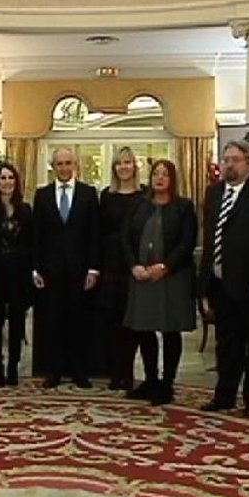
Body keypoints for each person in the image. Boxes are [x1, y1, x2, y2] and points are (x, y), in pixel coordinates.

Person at [198, 139, 249, 417]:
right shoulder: (213, 193)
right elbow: (210, 238)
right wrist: (205, 280)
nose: (229, 165)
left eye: (235, 159)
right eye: (226, 160)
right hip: (220, 284)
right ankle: (224, 396)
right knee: (226, 345)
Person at [121, 159, 198, 406]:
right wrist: (134, 265)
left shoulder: (184, 207)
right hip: (142, 275)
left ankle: (167, 382)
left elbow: (188, 242)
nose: (160, 178)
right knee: (144, 328)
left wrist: (165, 266)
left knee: (170, 329)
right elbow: (125, 238)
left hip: (172, 276)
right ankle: (151, 379)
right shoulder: (138, 205)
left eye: (165, 174)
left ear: (172, 179)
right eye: (156, 173)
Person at [32, 147, 100, 388]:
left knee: (79, 323)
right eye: (59, 164)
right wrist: (35, 269)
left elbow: (94, 234)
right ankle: (54, 372)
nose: (63, 168)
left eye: (68, 163)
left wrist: (94, 269)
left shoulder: (88, 194)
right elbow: (36, 235)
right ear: (53, 167)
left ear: (75, 165)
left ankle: (79, 371)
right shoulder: (42, 195)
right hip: (50, 273)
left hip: (80, 272)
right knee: (53, 323)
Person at [98, 147, 150, 393]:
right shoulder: (106, 195)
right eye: (119, 163)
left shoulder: (145, 195)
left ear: (135, 166)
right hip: (111, 265)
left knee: (134, 323)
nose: (124, 167)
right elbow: (99, 232)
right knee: (113, 322)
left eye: (128, 162)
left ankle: (129, 373)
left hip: (136, 264)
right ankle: (115, 372)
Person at [0, 161, 33, 387]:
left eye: (11, 177)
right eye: (2, 178)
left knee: (17, 321)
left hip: (19, 274)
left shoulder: (25, 209)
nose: (7, 182)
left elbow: (32, 242)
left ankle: (13, 365)